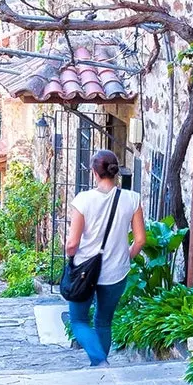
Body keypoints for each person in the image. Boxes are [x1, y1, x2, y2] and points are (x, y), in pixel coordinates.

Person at [64, 150, 146, 367]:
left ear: (94, 173)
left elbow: (72, 243)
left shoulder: (83, 200)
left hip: (84, 271)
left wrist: (70, 259)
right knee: (104, 322)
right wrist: (125, 257)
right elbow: (139, 240)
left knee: (79, 320)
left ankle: (99, 361)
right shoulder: (132, 198)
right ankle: (99, 367)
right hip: (116, 272)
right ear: (115, 171)